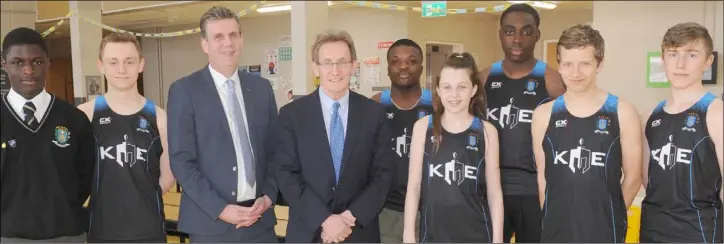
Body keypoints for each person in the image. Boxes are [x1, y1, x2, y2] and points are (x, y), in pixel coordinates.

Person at [167, 6, 279, 243]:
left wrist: (268, 197)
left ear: (241, 39)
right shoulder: (185, 91)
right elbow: (182, 161)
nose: (228, 42)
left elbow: (275, 152)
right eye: (218, 36)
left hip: (259, 221)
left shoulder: (261, 89)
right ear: (205, 44)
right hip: (212, 224)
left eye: (233, 35)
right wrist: (221, 209)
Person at [275, 29, 393, 243]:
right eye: (327, 62)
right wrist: (325, 220)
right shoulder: (292, 115)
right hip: (309, 231)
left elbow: (382, 175)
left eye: (342, 62)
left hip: (358, 231)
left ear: (353, 66)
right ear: (316, 68)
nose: (335, 70)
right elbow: (286, 174)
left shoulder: (374, 114)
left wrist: (349, 218)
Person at [531, 24, 642, 242]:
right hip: (556, 229)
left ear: (599, 64)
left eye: (585, 64)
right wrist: (553, 216)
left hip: (605, 229)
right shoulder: (543, 114)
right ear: (559, 66)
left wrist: (612, 215)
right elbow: (544, 177)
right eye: (568, 64)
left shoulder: (622, 111)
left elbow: (633, 177)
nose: (575, 73)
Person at [76, 32, 175, 243]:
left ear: (141, 64)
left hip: (149, 233)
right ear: (101, 66)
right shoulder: (84, 115)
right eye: (113, 62)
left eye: (129, 61)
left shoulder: (159, 117)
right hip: (101, 232)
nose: (121, 69)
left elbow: (166, 179)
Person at [479, 4, 566, 242]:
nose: (517, 39)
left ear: (537, 35)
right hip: (491, 189)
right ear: (500, 35)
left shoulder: (552, 81)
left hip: (535, 191)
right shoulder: (484, 78)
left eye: (526, 32)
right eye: (509, 31)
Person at [0, 27, 95, 242]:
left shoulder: (74, 119)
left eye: (37, 61)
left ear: (48, 62)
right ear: (4, 65)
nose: (28, 70)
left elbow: (86, 179)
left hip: (66, 236)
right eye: (18, 62)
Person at [402, 53, 503, 243]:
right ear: (438, 90)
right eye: (447, 87)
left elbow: (494, 193)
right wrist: (409, 234)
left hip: (477, 234)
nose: (454, 95)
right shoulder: (423, 127)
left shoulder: (487, 132)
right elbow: (414, 187)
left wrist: (497, 240)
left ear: (473, 89)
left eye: (462, 87)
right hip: (432, 235)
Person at [639, 22, 723, 243]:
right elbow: (648, 180)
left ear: (708, 61)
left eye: (692, 55)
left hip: (700, 230)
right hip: (653, 228)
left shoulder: (716, 113)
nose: (681, 64)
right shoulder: (650, 116)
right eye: (673, 54)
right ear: (663, 58)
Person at [370, 38, 433, 243]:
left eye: (411, 61)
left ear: (421, 67)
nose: (404, 66)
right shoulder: (375, 106)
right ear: (388, 68)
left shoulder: (438, 105)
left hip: (430, 210)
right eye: (396, 62)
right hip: (387, 211)